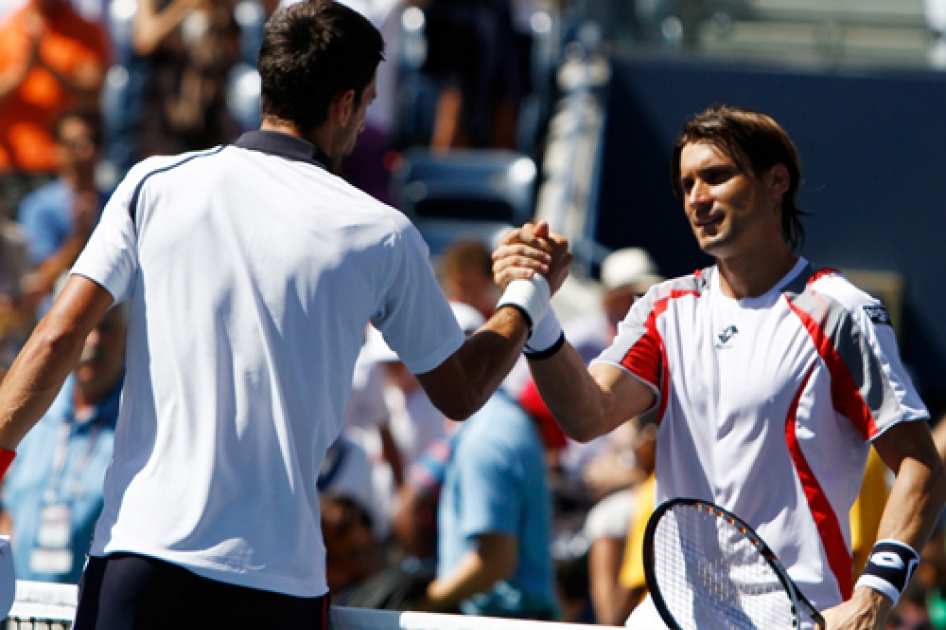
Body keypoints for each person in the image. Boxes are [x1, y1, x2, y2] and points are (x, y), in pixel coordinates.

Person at [0, 1, 571, 628]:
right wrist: (527, 294)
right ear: (345, 104)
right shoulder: (380, 232)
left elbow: (57, 336)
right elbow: (461, 391)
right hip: (273, 588)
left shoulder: (152, 184)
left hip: (140, 565)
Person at [492, 104, 946, 629]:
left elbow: (920, 464)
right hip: (670, 615)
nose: (697, 199)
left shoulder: (839, 311)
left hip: (798, 617)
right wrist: (535, 311)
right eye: (687, 185)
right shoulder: (665, 308)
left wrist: (874, 595)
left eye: (715, 176)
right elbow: (587, 414)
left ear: (777, 182)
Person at [0, 302, 125, 584]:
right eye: (85, 327)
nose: (93, 340)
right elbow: (7, 511)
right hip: (20, 608)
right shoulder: (31, 410)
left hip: (92, 610)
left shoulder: (138, 421)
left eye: (106, 328)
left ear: (126, 336)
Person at [423, 387, 559, 620]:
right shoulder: (503, 419)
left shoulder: (484, 439)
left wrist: (421, 606)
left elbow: (494, 561)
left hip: (499, 619)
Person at [0, 0, 109, 216]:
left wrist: (46, 64)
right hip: (12, 168)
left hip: (65, 168)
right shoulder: (9, 29)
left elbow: (93, 87)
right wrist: (24, 70)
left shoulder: (86, 30)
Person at [17, 109, 106, 312]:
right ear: (58, 149)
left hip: (112, 324)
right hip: (57, 316)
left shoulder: (118, 201)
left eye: (94, 140)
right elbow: (39, 281)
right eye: (76, 144)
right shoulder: (38, 207)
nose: (88, 150)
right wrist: (79, 236)